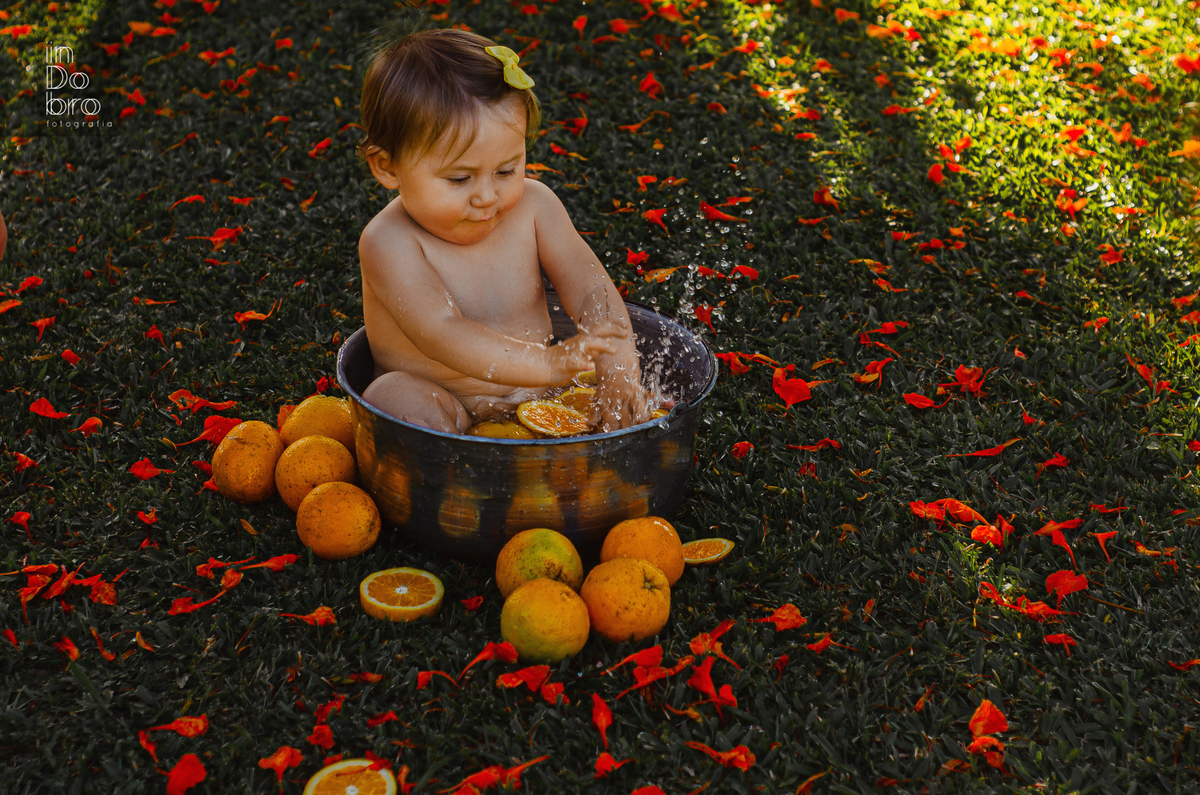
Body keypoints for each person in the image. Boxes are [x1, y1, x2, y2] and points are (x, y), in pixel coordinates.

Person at [356, 28, 651, 434]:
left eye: (506, 170)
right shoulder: (389, 242)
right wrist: (546, 364)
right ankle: (445, 456)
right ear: (388, 167)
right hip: (446, 399)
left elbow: (589, 287)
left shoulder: (535, 206)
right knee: (391, 397)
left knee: (610, 391)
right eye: (460, 179)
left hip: (542, 396)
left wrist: (618, 364)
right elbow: (440, 331)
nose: (487, 196)